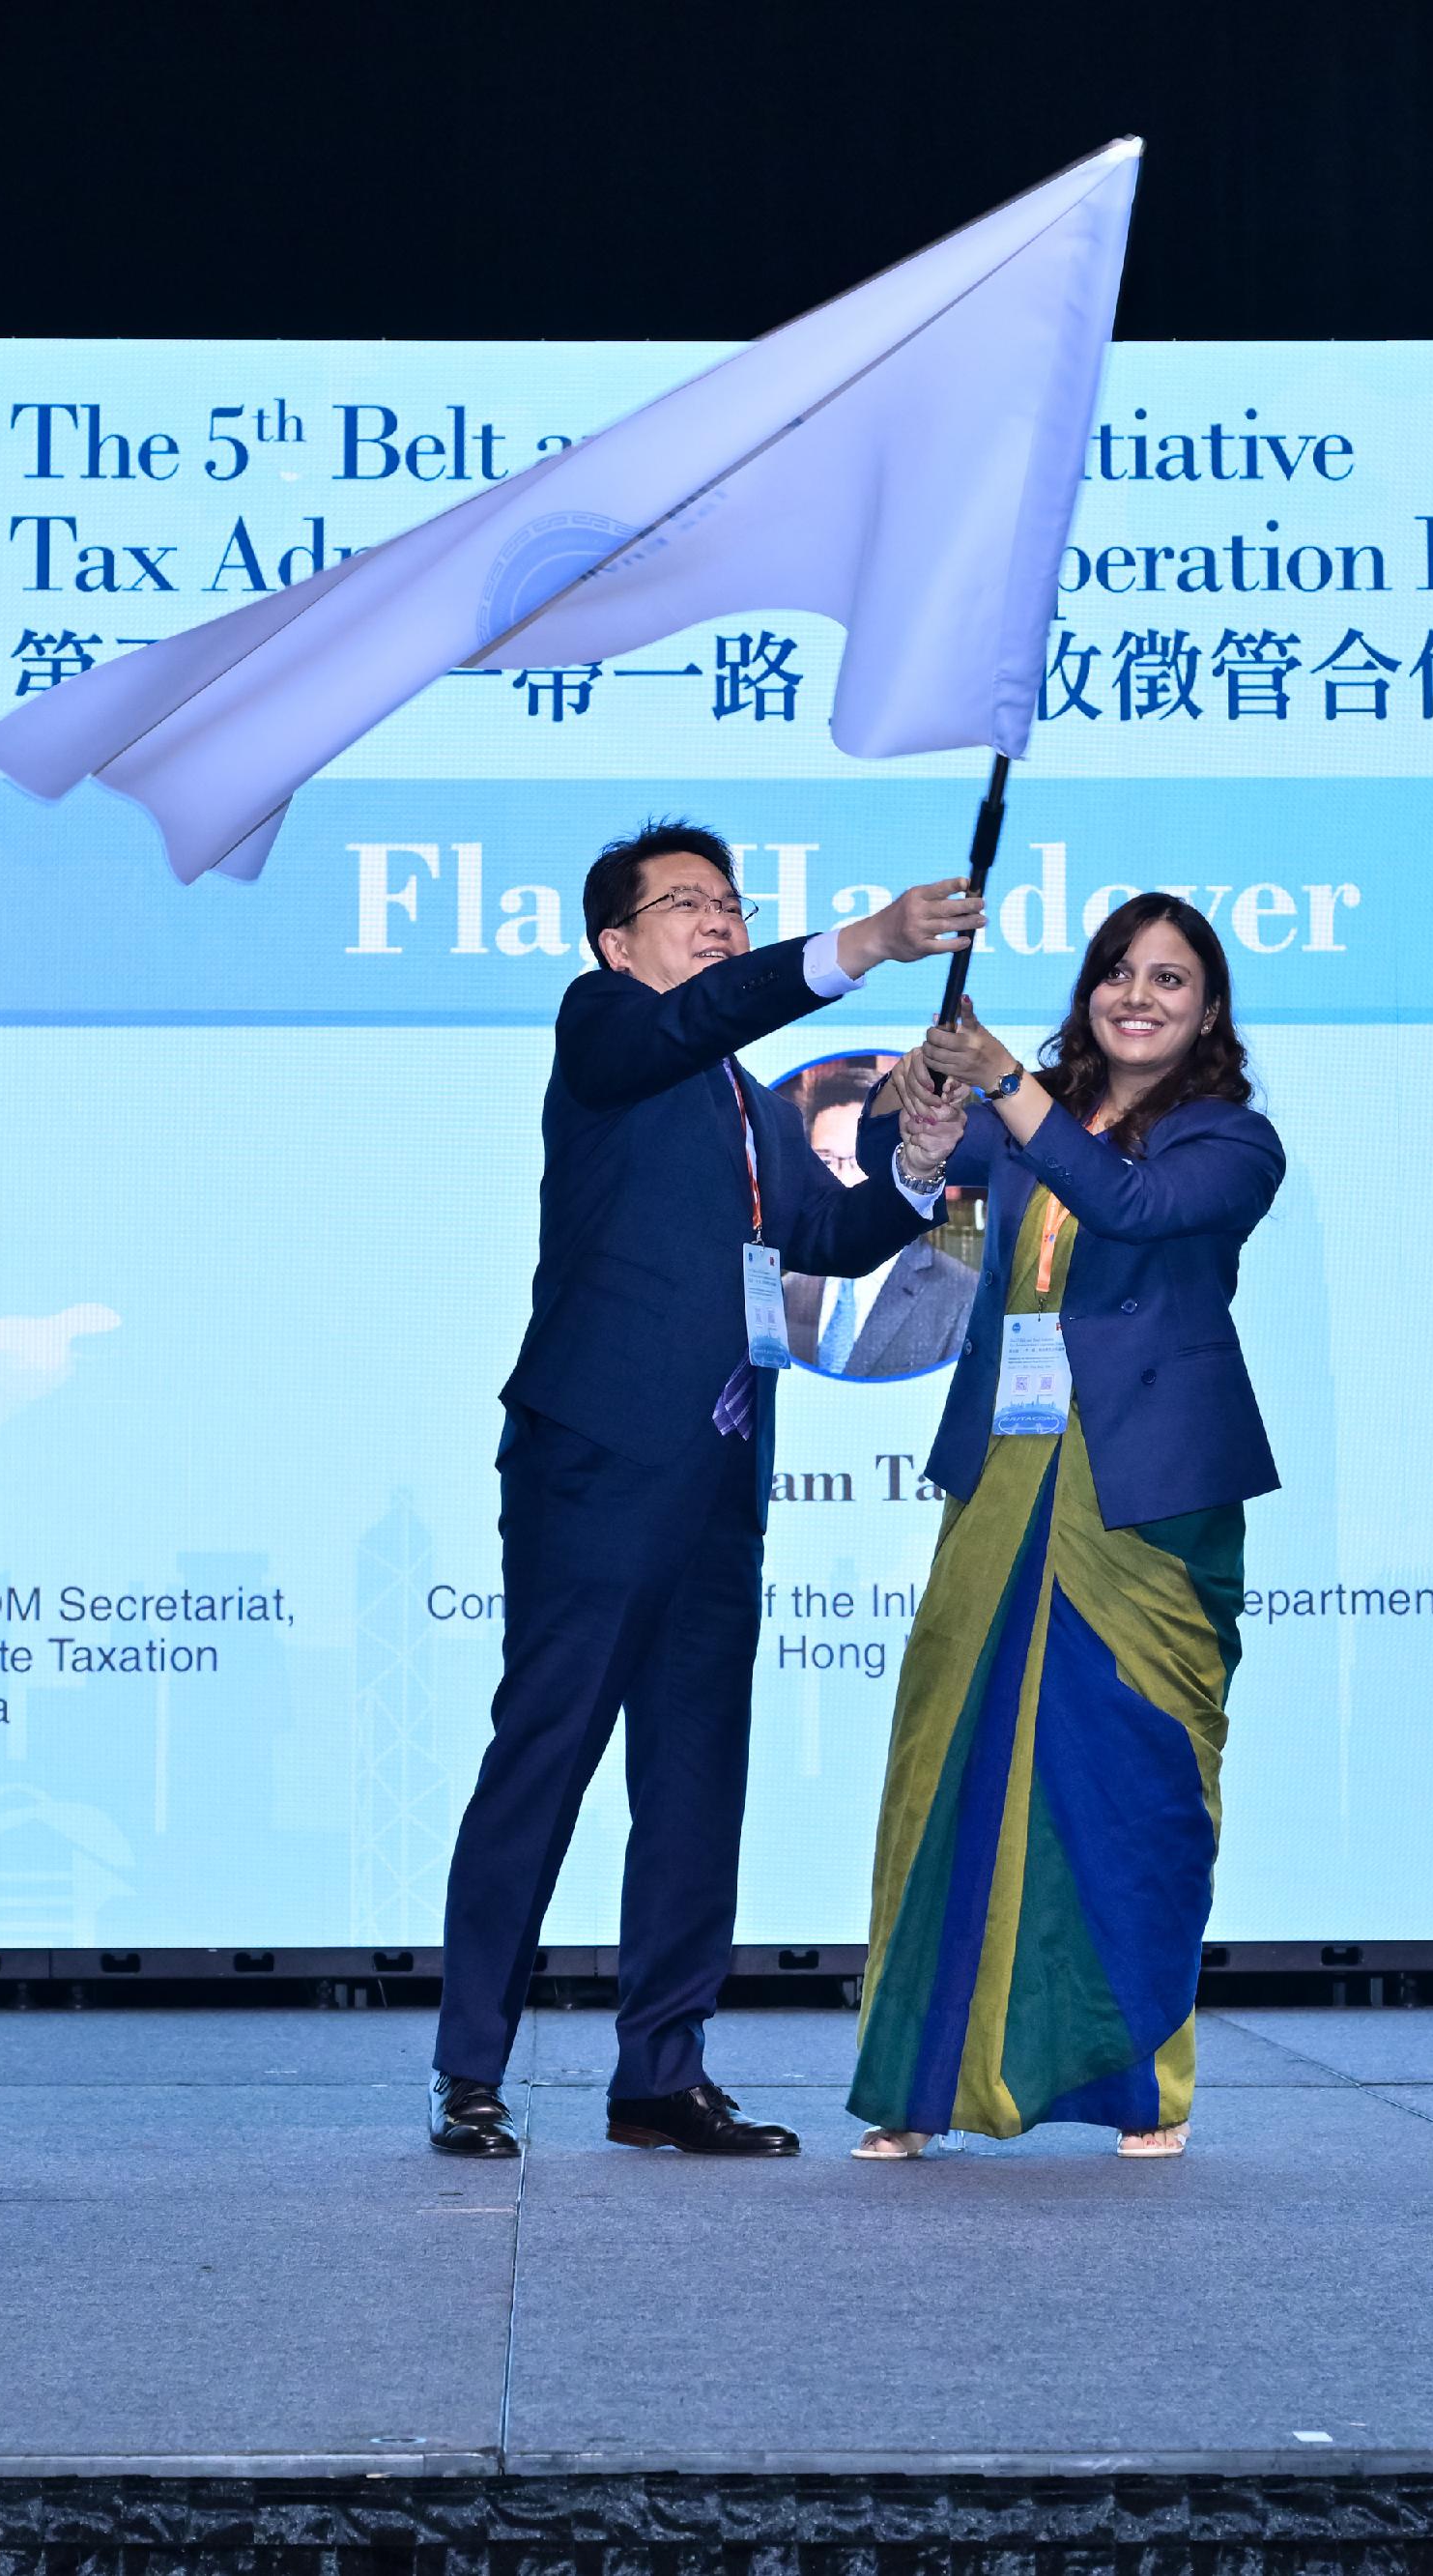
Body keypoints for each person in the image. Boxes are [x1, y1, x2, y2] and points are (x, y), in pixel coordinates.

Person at [432, 821, 978, 2160]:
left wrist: (919, 1146)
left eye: (731, 902)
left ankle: (659, 2069)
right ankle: (472, 2068)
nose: (719, 919)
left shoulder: (746, 1103)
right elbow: (714, 1009)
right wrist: (864, 945)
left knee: (695, 1777)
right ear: (618, 944)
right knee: (545, 1756)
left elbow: (834, 1236)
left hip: (724, 1471)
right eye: (686, 903)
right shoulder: (606, 1029)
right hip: (600, 1456)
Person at [843, 894, 1282, 2161]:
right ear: (1090, 988)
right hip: (1006, 1472)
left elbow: (1132, 1209)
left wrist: (1010, 1087)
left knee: (1135, 1774)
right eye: (1118, 973)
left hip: (1146, 1496)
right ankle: (919, 2082)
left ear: (1208, 1012)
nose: (1138, 995)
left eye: (1172, 979)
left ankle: (1135, 2078)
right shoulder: (1028, 1126)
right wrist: (926, 1114)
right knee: (952, 1752)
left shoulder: (1231, 1142)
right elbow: (905, 1159)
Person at [782, 1055, 980, 1381]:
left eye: (857, 1161)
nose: (844, 1180)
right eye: (827, 1162)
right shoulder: (785, 1290)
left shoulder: (963, 1295)